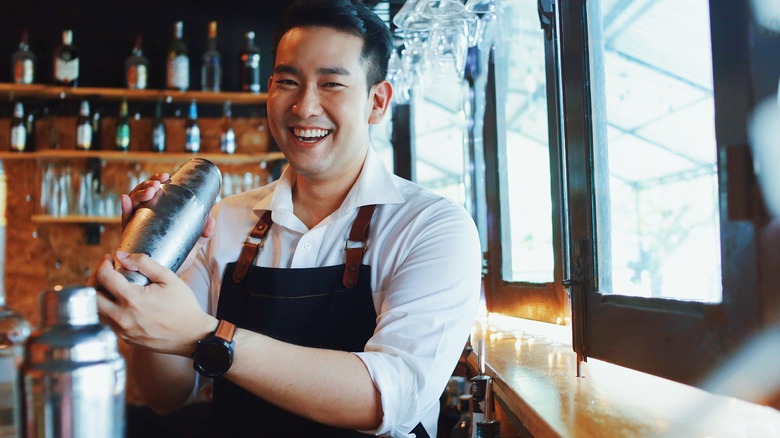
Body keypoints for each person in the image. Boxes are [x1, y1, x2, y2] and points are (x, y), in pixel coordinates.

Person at [93, 1, 482, 436]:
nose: (303, 106)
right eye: (287, 81)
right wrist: (150, 279)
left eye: (331, 83)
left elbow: (384, 398)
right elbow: (166, 396)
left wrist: (209, 336)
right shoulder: (226, 220)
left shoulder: (432, 227)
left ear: (377, 102)